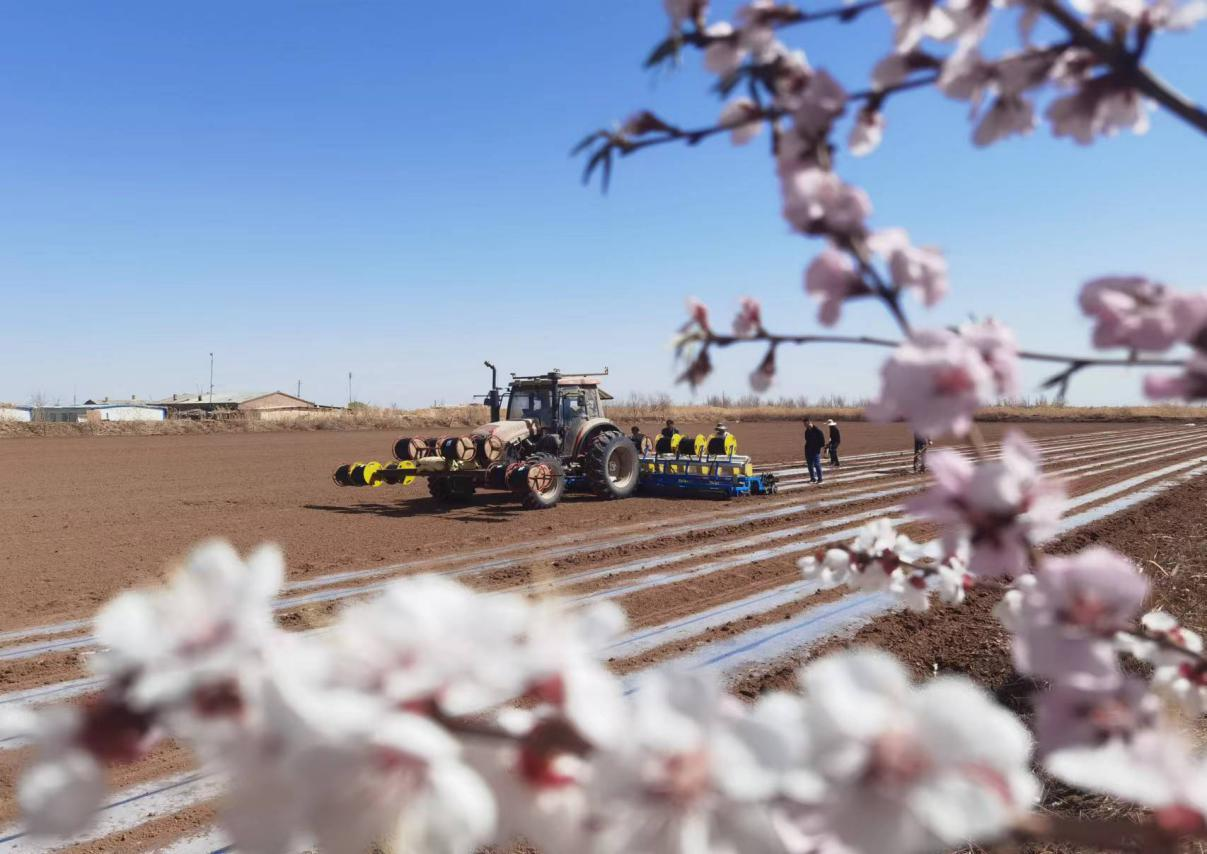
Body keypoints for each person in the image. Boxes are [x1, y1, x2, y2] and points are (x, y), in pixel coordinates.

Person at [804, 417, 826, 484]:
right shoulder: (807, 431)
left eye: (806, 424)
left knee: (817, 465)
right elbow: (807, 440)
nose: (805, 425)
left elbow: (822, 443)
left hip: (815, 451)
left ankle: (820, 479)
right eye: (804, 424)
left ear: (810, 422)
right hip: (808, 451)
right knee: (810, 465)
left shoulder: (818, 431)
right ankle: (812, 478)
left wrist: (816, 447)